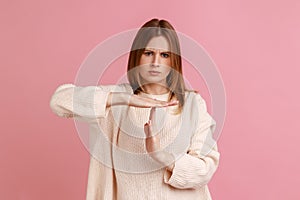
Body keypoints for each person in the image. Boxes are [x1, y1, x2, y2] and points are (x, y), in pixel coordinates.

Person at [50, 18, 220, 200]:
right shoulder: (115, 101)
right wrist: (123, 98)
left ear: (174, 62)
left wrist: (160, 155)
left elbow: (204, 169)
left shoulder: (193, 104)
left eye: (164, 55)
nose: (155, 62)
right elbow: (59, 100)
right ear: (137, 56)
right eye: (148, 53)